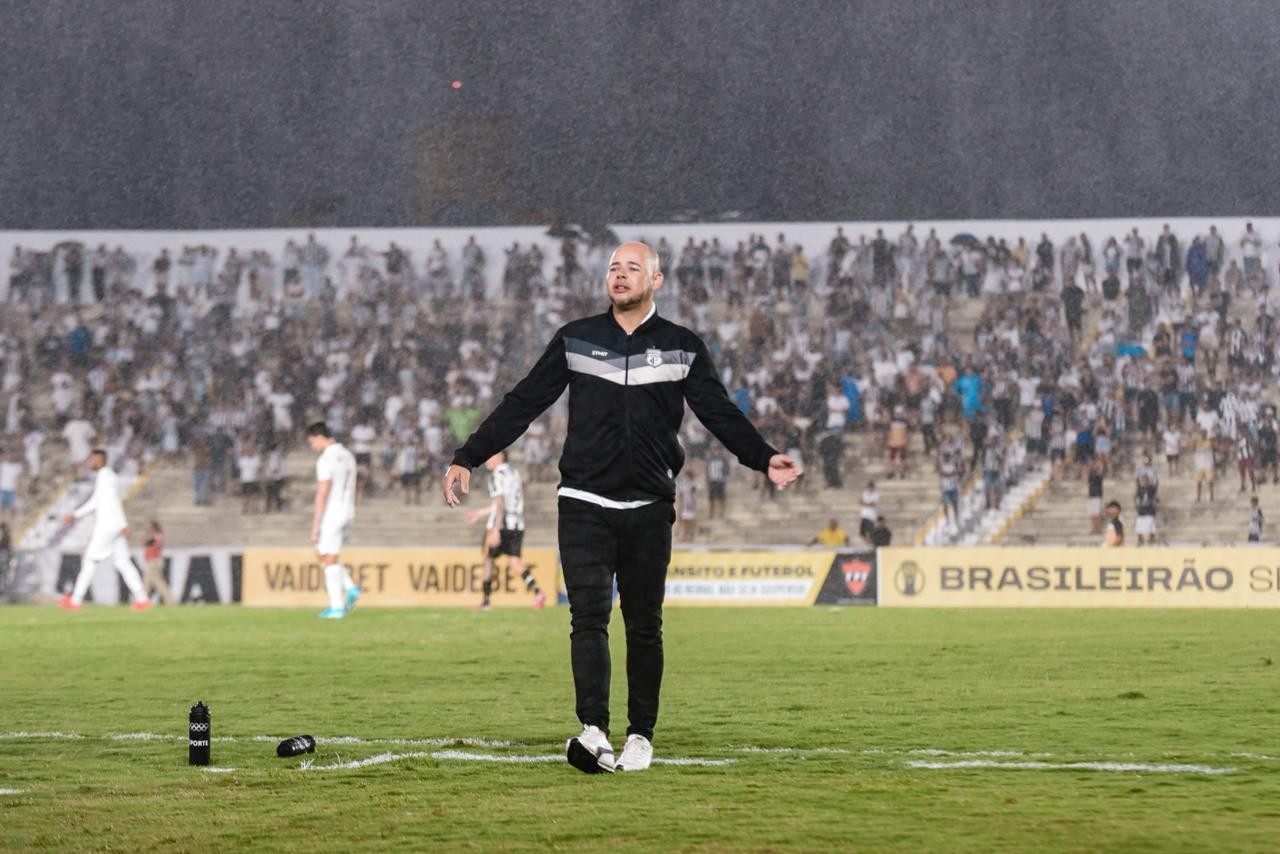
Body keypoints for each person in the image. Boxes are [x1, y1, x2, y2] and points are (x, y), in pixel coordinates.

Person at [441, 242, 801, 775]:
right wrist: (468, 456)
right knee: (587, 618)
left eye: (633, 267)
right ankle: (593, 730)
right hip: (583, 502)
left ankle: (640, 736)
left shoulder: (682, 346)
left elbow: (719, 413)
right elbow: (524, 401)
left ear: (656, 279)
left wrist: (763, 457)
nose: (621, 274)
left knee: (644, 625)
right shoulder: (576, 338)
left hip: (650, 507)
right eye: (614, 267)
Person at [58, 449, 151, 611]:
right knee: (123, 562)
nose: (89, 462)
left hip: (107, 525)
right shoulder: (107, 476)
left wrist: (123, 523)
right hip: (115, 526)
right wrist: (76, 514)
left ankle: (76, 601)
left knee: (89, 560)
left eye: (92, 459)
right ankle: (142, 599)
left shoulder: (104, 476)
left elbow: (112, 500)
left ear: (100, 460)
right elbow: (97, 501)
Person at [464, 450, 545, 612]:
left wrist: (496, 529)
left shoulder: (496, 475)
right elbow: (505, 502)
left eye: (490, 456)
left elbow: (500, 502)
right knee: (515, 561)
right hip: (517, 523)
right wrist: (480, 513)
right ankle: (538, 592)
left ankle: (486, 602)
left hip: (501, 524)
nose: (487, 459)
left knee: (488, 559)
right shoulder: (514, 473)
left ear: (500, 457)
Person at [306, 422, 361, 619]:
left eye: (312, 442)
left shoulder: (325, 459)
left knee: (328, 558)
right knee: (323, 554)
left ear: (319, 437)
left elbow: (323, 491)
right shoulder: (348, 455)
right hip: (348, 510)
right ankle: (351, 588)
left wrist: (315, 524)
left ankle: (337, 607)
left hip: (332, 512)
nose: (312, 447)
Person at [142, 520, 175, 605]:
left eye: (149, 526)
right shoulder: (155, 536)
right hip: (152, 561)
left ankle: (169, 600)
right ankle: (142, 600)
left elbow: (147, 543)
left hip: (154, 561)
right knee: (148, 582)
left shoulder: (156, 536)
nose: (147, 528)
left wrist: (146, 536)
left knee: (157, 582)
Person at [1134, 476, 1158, 546]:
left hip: (1150, 510)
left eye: (1146, 480)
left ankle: (1151, 540)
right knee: (1139, 526)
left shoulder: (1151, 488)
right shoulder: (1140, 489)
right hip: (1141, 511)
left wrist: (1155, 504)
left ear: (1148, 481)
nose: (1145, 482)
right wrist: (1137, 505)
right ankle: (1140, 540)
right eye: (1143, 480)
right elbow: (1136, 498)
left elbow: (1155, 497)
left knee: (1151, 527)